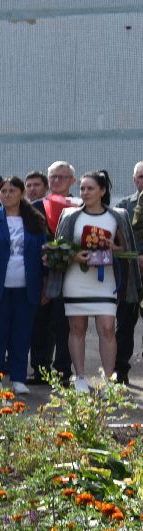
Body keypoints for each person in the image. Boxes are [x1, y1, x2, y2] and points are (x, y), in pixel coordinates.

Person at [49, 170, 138, 392]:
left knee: (107, 328)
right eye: (82, 188)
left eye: (90, 188)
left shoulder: (117, 215)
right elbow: (57, 248)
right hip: (76, 279)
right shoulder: (70, 215)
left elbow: (126, 249)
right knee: (77, 328)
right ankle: (80, 377)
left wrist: (114, 249)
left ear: (103, 191)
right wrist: (74, 256)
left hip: (105, 281)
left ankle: (109, 379)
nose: (85, 192)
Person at [0, 176, 46, 393]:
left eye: (12, 191)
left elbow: (44, 253)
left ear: (21, 194)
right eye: (3, 191)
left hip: (27, 287)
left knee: (21, 334)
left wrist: (46, 284)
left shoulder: (34, 220)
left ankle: (18, 378)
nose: (6, 195)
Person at [30, 163, 74, 383]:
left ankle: (63, 371)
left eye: (62, 177)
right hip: (41, 275)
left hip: (72, 275)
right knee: (40, 324)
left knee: (65, 325)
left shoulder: (80, 206)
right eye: (53, 177)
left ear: (72, 181)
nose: (57, 181)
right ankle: (40, 370)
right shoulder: (35, 206)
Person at [114, 161, 143, 384]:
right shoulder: (124, 206)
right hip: (131, 276)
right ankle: (120, 370)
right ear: (134, 180)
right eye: (141, 177)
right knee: (124, 324)